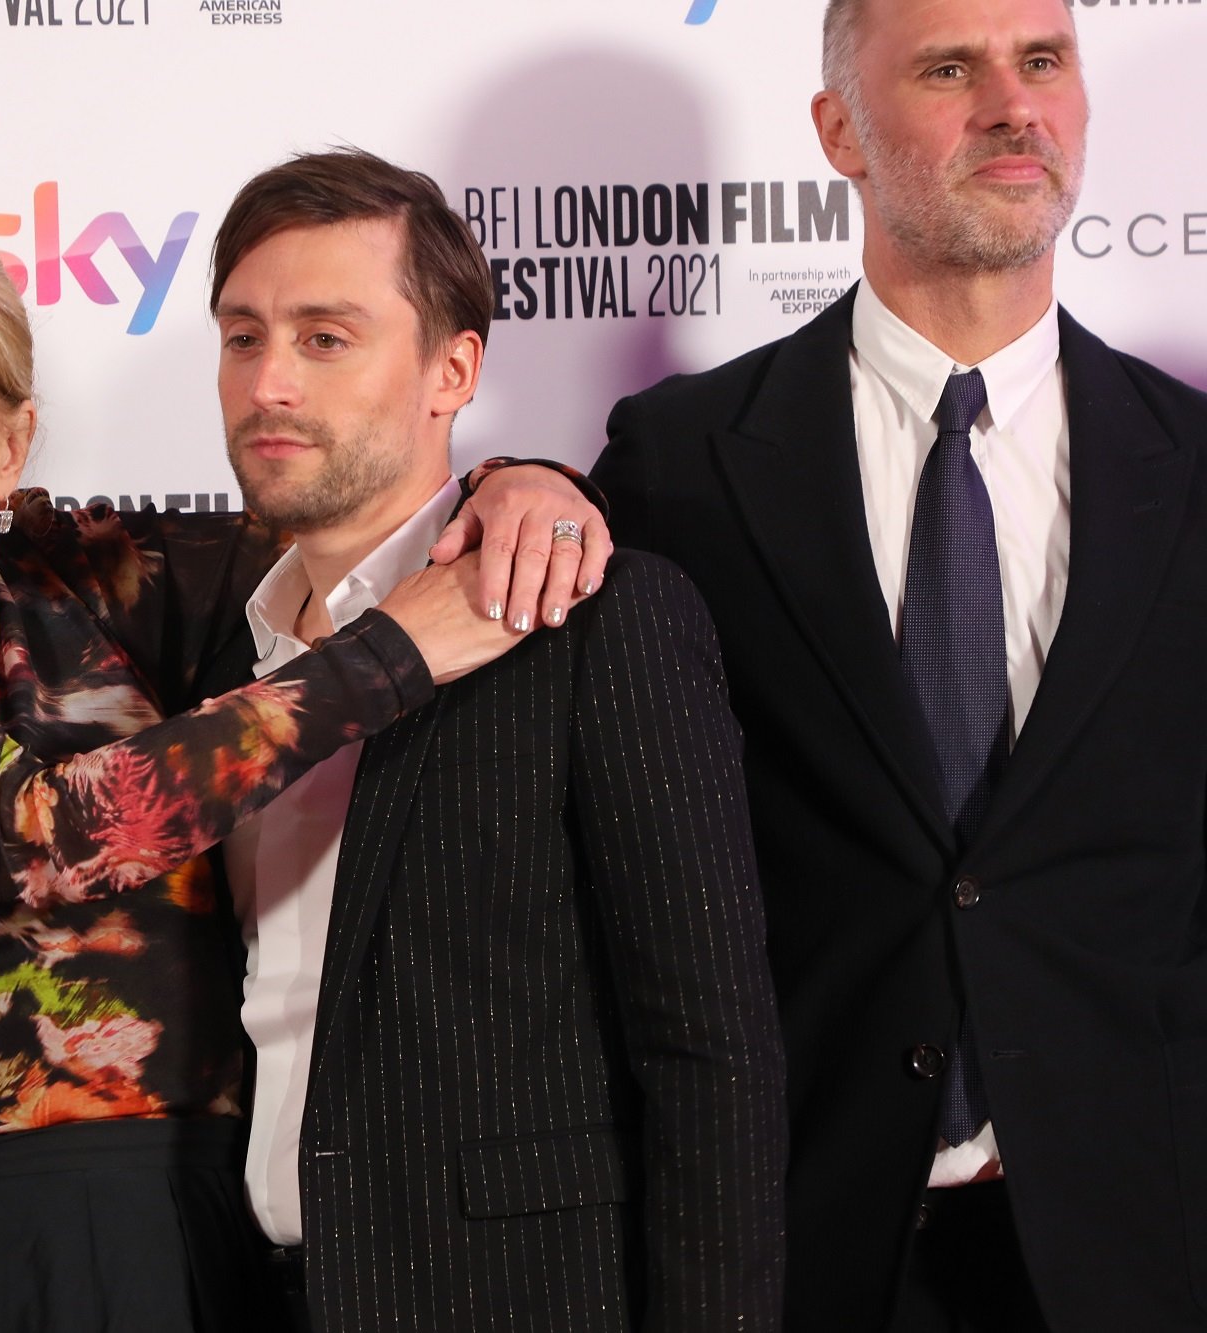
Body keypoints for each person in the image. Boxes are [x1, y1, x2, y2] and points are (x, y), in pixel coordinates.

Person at [0, 222, 591, 1330]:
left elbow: (355, 520)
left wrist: (516, 482)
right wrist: (390, 658)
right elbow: (38, 833)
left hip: (189, 1236)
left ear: (11, 445)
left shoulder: (95, 579)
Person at [591, 1, 1207, 1328]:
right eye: (948, 69)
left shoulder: (1196, 468)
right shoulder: (681, 464)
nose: (1012, 104)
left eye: (1042, 62)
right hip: (801, 1237)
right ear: (838, 131)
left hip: (1140, 1245)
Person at [199, 149, 785, 1333]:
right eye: (241, 335)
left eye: (325, 338)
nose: (267, 383)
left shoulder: (591, 620)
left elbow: (709, 1055)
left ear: (450, 370)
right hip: (240, 1294)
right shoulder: (218, 647)